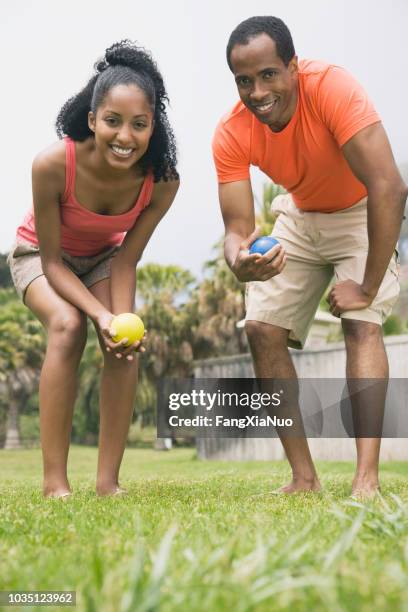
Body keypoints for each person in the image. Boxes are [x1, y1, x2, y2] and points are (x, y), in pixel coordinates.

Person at [212, 16, 407, 497]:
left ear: (293, 67)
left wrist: (364, 288)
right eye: (244, 80)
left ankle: (366, 479)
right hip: (300, 215)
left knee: (360, 323)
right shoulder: (231, 132)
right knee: (261, 328)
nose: (257, 92)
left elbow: (389, 186)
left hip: (363, 209)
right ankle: (304, 478)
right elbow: (237, 229)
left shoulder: (333, 89)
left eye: (268, 75)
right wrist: (238, 260)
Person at [8, 40, 179, 498]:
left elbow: (126, 257)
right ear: (92, 120)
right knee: (67, 327)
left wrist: (120, 320)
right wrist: (99, 316)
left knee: (125, 346)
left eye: (139, 125)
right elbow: (50, 262)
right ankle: (54, 484)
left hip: (106, 258)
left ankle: (108, 483)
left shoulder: (161, 182)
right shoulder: (52, 164)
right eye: (113, 121)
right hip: (40, 258)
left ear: (152, 126)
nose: (125, 137)